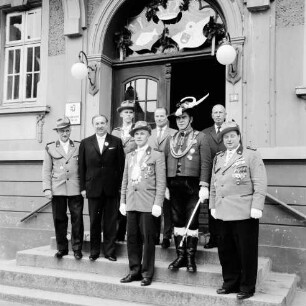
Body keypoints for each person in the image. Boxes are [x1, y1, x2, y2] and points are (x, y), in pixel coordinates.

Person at [209, 121, 267, 300]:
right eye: (225, 137)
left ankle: (247, 286)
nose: (229, 139)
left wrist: (257, 206)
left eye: (232, 136)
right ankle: (230, 283)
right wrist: (212, 205)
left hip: (244, 212)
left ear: (239, 137)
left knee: (246, 251)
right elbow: (213, 184)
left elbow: (260, 182)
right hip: (222, 212)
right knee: (226, 250)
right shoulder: (218, 157)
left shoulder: (251, 155)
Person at [165, 95, 212, 273]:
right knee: (177, 220)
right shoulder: (171, 138)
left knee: (191, 221)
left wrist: (204, 185)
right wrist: (165, 188)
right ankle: (180, 256)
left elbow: (206, 163)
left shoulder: (201, 137)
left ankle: (191, 258)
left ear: (191, 119)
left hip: (193, 185)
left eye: (184, 117)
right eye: (178, 118)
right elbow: (164, 161)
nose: (181, 121)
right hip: (174, 185)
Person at [119, 121, 166, 286]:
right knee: (132, 239)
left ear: (148, 135)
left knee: (147, 240)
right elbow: (125, 180)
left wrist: (158, 203)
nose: (139, 136)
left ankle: (147, 273)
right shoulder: (129, 156)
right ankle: (134, 271)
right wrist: (122, 201)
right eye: (136, 134)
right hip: (131, 203)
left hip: (148, 203)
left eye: (142, 133)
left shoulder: (156, 155)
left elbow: (161, 182)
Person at [79, 114, 125, 262]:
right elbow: (81, 167)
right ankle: (94, 251)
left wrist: (120, 187)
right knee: (94, 221)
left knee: (110, 222)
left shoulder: (116, 142)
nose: (100, 126)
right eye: (97, 123)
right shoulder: (86, 143)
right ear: (94, 125)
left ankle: (110, 251)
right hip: (93, 188)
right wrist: (83, 188)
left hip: (111, 188)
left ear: (107, 124)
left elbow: (121, 166)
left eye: (102, 123)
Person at [42, 117, 84, 260]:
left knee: (77, 219)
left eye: (67, 130)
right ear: (57, 132)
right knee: (59, 219)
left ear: (70, 130)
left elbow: (83, 168)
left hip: (75, 187)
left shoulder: (79, 146)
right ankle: (62, 248)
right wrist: (47, 188)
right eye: (62, 131)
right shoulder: (50, 147)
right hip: (57, 188)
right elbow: (46, 170)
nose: (65, 134)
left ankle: (77, 248)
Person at [148, 107, 177, 248]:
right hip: (152, 174)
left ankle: (166, 236)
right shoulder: (149, 134)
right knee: (155, 204)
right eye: (157, 116)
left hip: (169, 174)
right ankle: (154, 236)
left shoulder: (174, 133)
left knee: (167, 207)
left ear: (167, 117)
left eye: (162, 116)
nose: (159, 118)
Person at [112, 100, 137, 242]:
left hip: (133, 169)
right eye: (125, 112)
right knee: (117, 202)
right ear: (121, 114)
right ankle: (118, 233)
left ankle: (130, 233)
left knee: (130, 200)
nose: (128, 115)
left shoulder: (137, 129)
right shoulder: (116, 131)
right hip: (117, 171)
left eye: (130, 112)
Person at [202, 104, 226, 249]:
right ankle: (213, 238)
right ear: (211, 115)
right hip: (212, 176)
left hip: (226, 175)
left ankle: (224, 238)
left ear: (225, 114)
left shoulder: (231, 131)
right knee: (212, 207)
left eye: (220, 112)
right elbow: (204, 158)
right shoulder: (205, 133)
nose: (218, 115)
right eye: (215, 112)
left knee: (225, 206)